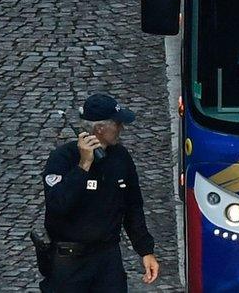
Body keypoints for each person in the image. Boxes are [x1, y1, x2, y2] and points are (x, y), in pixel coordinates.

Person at [40, 94, 160, 292]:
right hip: (69, 263)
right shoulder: (62, 159)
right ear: (100, 128)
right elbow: (58, 205)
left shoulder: (121, 158)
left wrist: (145, 250)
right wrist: (83, 166)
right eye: (117, 123)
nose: (121, 128)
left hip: (107, 260)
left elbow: (133, 207)